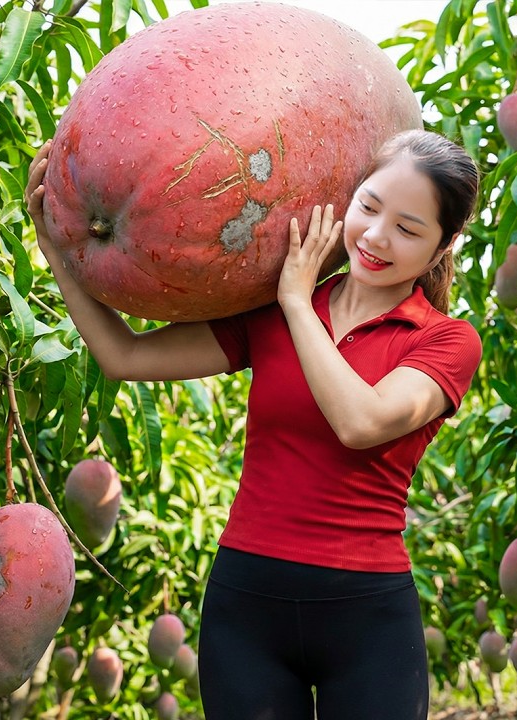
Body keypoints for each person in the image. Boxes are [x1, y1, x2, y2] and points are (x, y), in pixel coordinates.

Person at [26, 129, 482, 720]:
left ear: (443, 245)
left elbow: (361, 421)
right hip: (247, 607)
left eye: (409, 229)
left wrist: (297, 302)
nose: (375, 236)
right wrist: (52, 244)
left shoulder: (446, 341)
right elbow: (125, 357)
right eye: (368, 206)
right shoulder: (269, 313)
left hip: (367, 617)